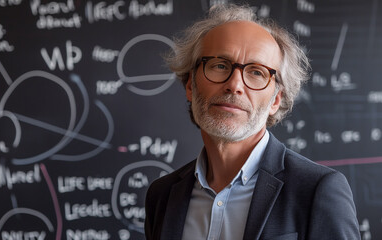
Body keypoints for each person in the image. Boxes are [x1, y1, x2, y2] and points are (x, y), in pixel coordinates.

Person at [144, 4, 361, 240]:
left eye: (257, 72)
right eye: (219, 65)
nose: (235, 85)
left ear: (276, 100)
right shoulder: (162, 195)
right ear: (190, 85)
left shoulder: (318, 190)